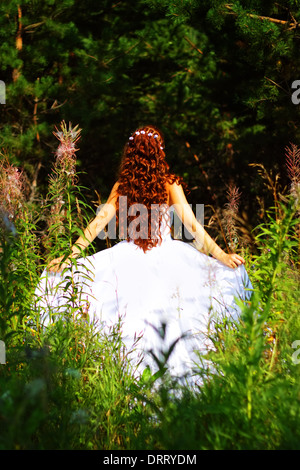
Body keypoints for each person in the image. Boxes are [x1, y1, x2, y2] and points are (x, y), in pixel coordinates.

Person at [36, 125, 252, 384]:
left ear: (130, 154)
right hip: (168, 255)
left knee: (132, 320)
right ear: (159, 153)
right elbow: (193, 226)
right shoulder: (169, 183)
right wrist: (221, 256)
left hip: (128, 258)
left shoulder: (122, 186)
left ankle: (129, 377)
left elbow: (96, 226)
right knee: (174, 317)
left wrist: (69, 258)